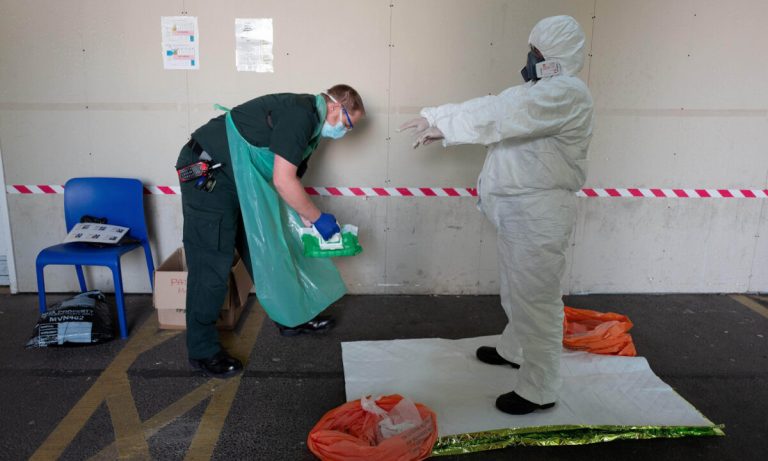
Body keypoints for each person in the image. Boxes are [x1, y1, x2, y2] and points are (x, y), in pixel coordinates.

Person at [400, 16, 593, 415]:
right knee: (517, 289)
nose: (530, 56)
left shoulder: (565, 93)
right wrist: (438, 118)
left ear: (554, 55)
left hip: (538, 213)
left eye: (537, 51)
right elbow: (497, 106)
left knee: (536, 298)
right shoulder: (537, 91)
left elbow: (501, 116)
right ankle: (515, 349)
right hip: (521, 210)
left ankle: (539, 388)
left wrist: (443, 123)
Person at [177, 85, 365, 378]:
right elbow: (283, 180)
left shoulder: (312, 130)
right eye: (348, 123)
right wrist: (317, 218)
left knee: (270, 246)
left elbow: (289, 178)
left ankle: (291, 317)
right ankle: (202, 350)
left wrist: (303, 217)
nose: (346, 131)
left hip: (241, 177)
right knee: (211, 262)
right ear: (334, 106)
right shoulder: (301, 115)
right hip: (210, 175)